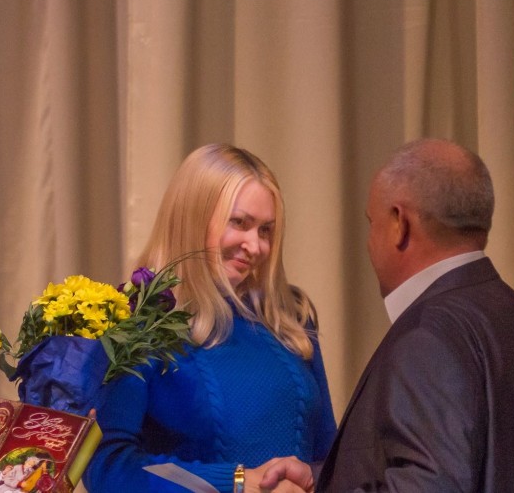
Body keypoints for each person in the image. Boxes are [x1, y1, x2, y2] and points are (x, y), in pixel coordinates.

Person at [260, 138, 514, 492]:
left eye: (371, 222)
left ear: (399, 223)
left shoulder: (430, 337)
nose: (370, 241)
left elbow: (430, 484)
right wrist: (320, 479)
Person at [84, 143, 337, 492]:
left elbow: (331, 458)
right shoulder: (139, 321)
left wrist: (309, 477)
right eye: (240, 223)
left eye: (265, 230)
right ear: (194, 219)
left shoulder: (291, 315)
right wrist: (238, 482)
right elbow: (109, 468)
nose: (256, 246)